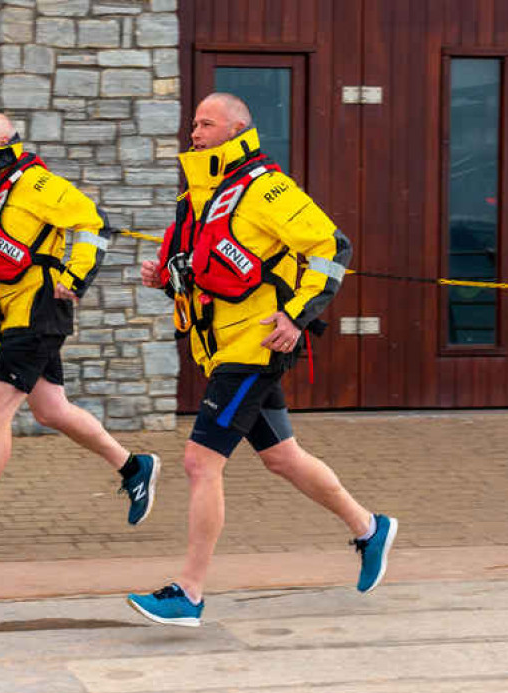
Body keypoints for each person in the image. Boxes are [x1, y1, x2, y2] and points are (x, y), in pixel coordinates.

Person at [127, 93, 397, 627]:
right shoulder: (197, 199)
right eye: (194, 123)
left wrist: (297, 317)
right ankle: (370, 528)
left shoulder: (267, 189)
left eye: (207, 124)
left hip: (255, 350)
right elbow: (207, 274)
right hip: (222, 350)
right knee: (282, 458)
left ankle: (190, 592)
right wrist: (165, 281)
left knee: (200, 462)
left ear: (237, 129)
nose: (195, 132)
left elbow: (331, 247)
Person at [0, 112, 160, 552]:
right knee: (51, 410)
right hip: (12, 316)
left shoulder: (37, 185)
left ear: (3, 142)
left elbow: (92, 222)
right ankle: (134, 468)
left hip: (38, 313)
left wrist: (76, 275)